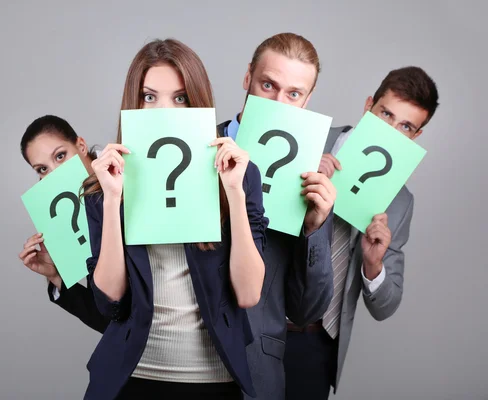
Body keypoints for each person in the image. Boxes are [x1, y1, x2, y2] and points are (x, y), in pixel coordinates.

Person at [81, 38, 268, 400]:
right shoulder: (106, 182)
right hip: (131, 377)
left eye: (179, 98)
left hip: (212, 380)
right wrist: (112, 200)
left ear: (197, 102)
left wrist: (233, 191)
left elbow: (248, 293)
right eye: (149, 97)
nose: (163, 109)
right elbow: (110, 300)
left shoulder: (240, 175)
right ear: (132, 103)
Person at [288, 66, 440, 399]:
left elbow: (385, 306)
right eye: (386, 114)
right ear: (368, 105)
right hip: (262, 325)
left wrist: (374, 265)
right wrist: (299, 189)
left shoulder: (400, 203)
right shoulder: (308, 141)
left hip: (317, 343)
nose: (391, 130)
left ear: (415, 136)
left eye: (405, 126)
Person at [219, 32, 337, 400]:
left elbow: (306, 311)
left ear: (307, 100)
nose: (279, 102)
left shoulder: (310, 181)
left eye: (293, 93)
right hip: (178, 365)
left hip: (255, 374)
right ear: (248, 77)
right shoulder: (196, 146)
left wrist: (314, 229)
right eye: (268, 85)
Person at [18, 115, 108, 334]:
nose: (55, 173)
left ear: (81, 146)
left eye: (60, 156)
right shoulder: (76, 218)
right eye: (42, 169)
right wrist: (56, 277)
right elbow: (110, 322)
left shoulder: (127, 183)